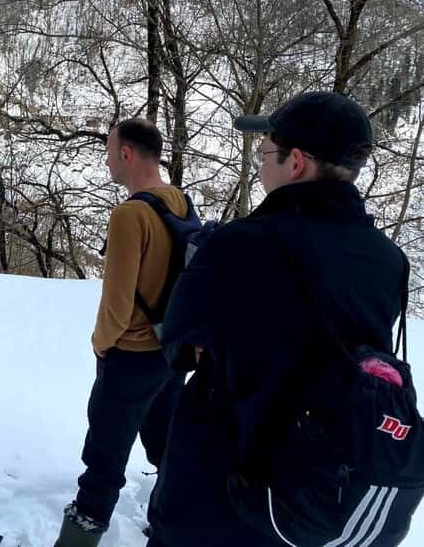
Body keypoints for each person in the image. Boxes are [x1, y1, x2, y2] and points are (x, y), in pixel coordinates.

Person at [147, 91, 419, 546]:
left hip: (219, 490)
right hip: (315, 491)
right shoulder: (389, 261)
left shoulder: (239, 245)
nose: (259, 164)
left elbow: (177, 341)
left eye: (266, 152)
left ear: (296, 162)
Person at [55, 119, 187, 547]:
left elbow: (117, 302)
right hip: (171, 352)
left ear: (127, 154)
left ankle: (78, 540)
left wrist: (102, 346)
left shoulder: (130, 214)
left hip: (130, 355)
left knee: (103, 458)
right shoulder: (180, 202)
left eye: (111, 152)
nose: (108, 160)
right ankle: (170, 528)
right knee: (166, 446)